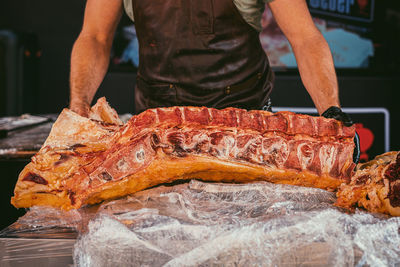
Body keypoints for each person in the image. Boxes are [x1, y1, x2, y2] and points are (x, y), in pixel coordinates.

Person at [69, 0, 359, 162]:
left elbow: (305, 37)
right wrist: (79, 104)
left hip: (245, 131)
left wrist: (330, 110)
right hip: (158, 132)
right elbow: (95, 36)